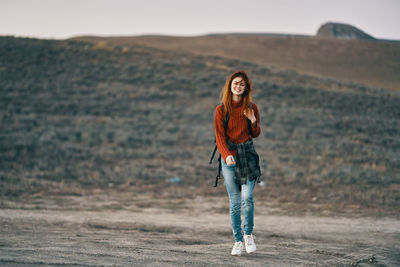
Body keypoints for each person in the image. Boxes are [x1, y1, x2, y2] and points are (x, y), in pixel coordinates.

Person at [214, 70, 261, 256]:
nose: (238, 86)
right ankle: (238, 241)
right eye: (235, 83)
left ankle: (248, 234)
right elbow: (219, 138)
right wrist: (226, 155)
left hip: (247, 156)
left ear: (246, 87)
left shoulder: (251, 107)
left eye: (242, 84)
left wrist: (253, 120)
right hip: (229, 160)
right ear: (230, 86)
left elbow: (256, 133)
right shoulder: (221, 110)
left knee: (247, 197)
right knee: (235, 203)